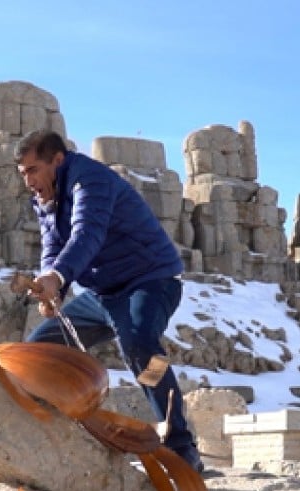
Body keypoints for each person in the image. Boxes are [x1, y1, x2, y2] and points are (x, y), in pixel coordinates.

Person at [15, 129, 203, 472]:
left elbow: (87, 233)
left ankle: (181, 445)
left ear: (57, 160)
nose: (28, 182)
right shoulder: (45, 195)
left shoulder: (90, 181)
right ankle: (56, 443)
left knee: (142, 347)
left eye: (33, 170)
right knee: (39, 352)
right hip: (103, 293)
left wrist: (57, 278)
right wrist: (51, 286)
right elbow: (52, 245)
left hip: (151, 280)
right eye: (23, 173)